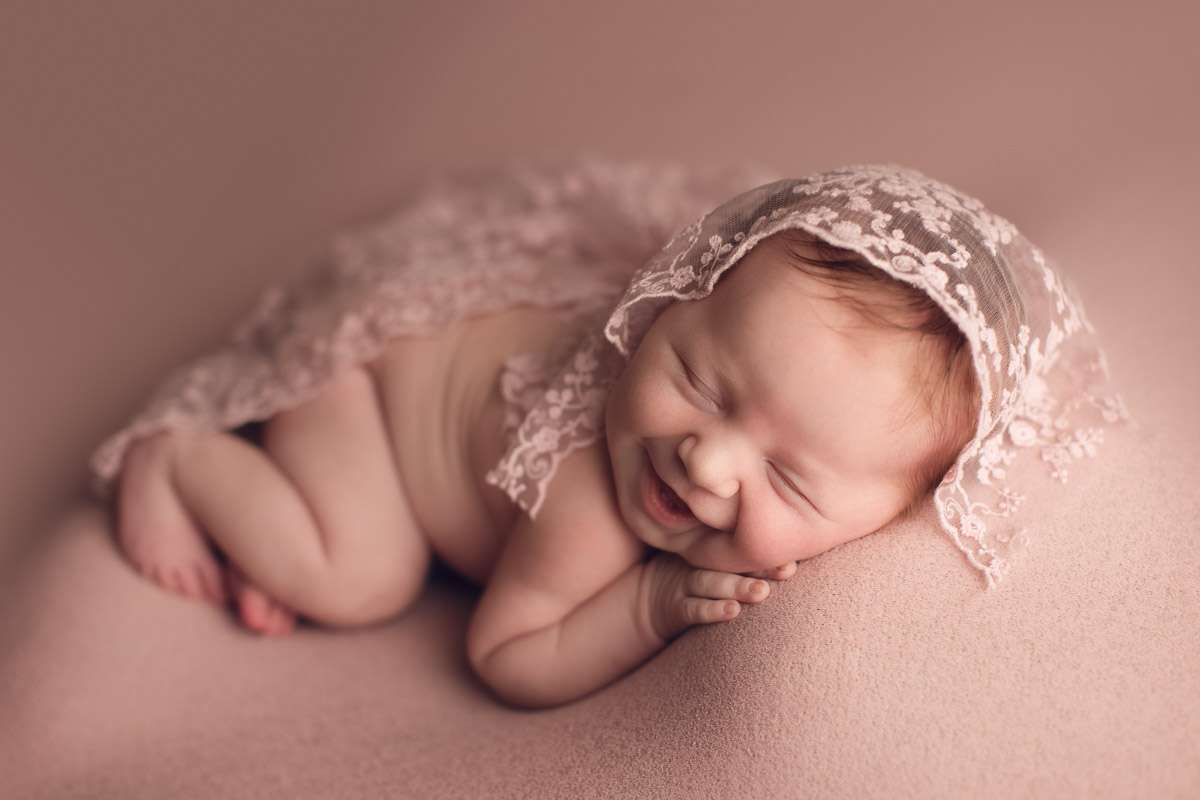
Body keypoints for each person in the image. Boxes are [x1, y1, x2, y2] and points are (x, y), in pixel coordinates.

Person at [91, 159, 1130, 708]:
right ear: (666, 306)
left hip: (441, 347)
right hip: (365, 383)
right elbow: (503, 652)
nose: (705, 458)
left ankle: (275, 499)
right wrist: (645, 600)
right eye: (696, 381)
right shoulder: (592, 495)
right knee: (359, 575)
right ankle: (184, 458)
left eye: (788, 478)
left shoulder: (755, 424)